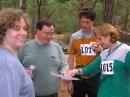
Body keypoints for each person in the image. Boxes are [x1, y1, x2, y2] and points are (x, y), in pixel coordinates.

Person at [66, 23, 130, 97]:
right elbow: (90, 69)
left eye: (100, 39)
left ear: (108, 36)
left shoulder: (126, 51)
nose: (98, 42)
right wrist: (75, 71)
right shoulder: (104, 54)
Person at [17, 19, 69, 97]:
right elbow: (15, 67)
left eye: (52, 34)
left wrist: (65, 72)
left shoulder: (57, 47)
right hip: (29, 94)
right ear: (37, 31)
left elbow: (64, 65)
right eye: (46, 34)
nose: (50, 37)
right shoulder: (24, 47)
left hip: (53, 94)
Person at [0, 8, 35, 97]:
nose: (23, 33)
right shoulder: (7, 64)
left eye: (24, 28)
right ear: (2, 31)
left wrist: (21, 74)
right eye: (16, 28)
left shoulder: (7, 55)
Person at [67, 8, 102, 97]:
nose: (84, 25)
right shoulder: (74, 36)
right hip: (78, 76)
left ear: (93, 21)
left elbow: (109, 53)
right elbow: (71, 56)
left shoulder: (100, 35)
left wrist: (100, 50)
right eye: (82, 22)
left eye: (87, 22)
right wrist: (70, 79)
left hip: (95, 76)